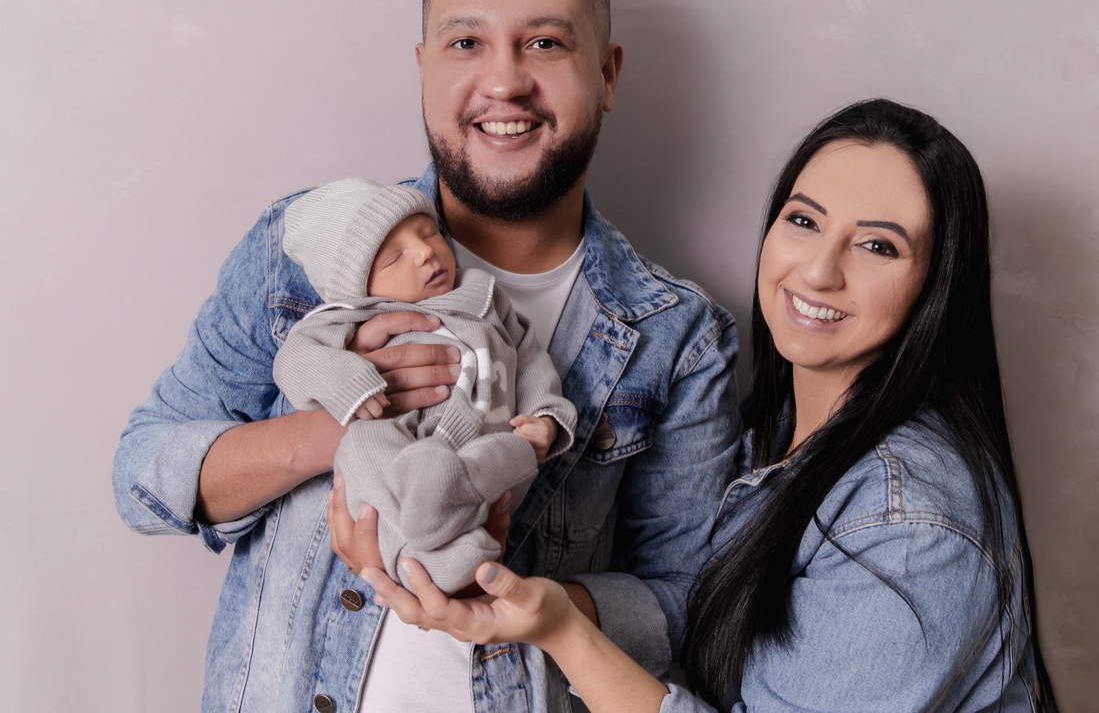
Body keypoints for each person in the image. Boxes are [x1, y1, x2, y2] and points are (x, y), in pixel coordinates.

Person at [111, 0, 740, 713]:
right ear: (422, 70)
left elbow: (688, 605)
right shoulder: (302, 253)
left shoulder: (678, 337)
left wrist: (531, 605)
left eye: (545, 43)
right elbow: (142, 473)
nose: (504, 81)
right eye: (466, 43)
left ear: (608, 75)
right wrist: (330, 432)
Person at [349, 99, 1059, 712]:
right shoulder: (774, 434)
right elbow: (691, 607)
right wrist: (532, 599)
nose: (819, 270)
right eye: (804, 221)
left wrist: (562, 632)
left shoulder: (911, 520)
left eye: (877, 245)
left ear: (937, 286)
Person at [274, 177, 578, 593]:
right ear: (358, 290)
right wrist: (350, 381)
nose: (424, 252)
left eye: (429, 233)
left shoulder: (483, 297)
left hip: (480, 453)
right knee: (361, 446)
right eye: (394, 258)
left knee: (514, 450)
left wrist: (547, 418)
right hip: (404, 450)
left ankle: (448, 516)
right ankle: (438, 559)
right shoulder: (350, 319)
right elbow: (294, 361)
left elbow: (528, 357)